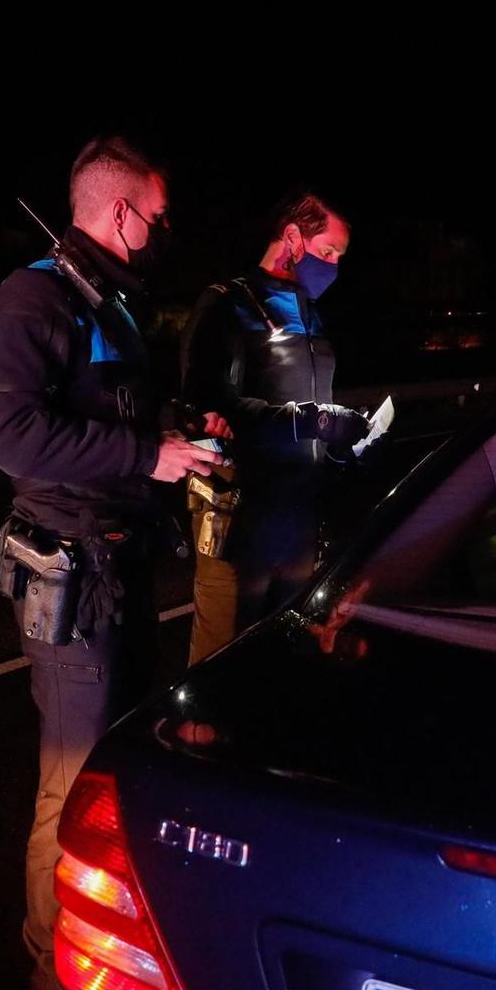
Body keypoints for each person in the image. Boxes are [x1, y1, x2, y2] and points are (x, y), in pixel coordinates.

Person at [0, 134, 227, 990]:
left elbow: (122, 415)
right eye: (156, 216)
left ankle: (110, 933)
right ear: (120, 211)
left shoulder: (109, 304)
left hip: (122, 566)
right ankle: (49, 963)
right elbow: (10, 437)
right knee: (71, 774)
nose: (164, 230)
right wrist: (142, 455)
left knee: (118, 766)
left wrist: (180, 435)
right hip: (71, 574)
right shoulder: (31, 301)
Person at [180, 188, 364, 665]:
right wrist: (314, 421)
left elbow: (318, 404)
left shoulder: (311, 315)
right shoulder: (227, 303)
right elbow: (207, 405)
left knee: (283, 654)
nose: (333, 266)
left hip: (301, 516)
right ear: (292, 237)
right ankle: (195, 737)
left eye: (340, 257)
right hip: (242, 516)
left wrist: (345, 442)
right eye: (328, 251)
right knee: (221, 661)